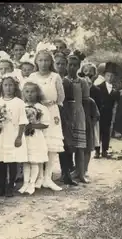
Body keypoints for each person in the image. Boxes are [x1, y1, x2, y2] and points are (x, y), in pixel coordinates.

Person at [28, 47, 65, 191]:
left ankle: (48, 178)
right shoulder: (32, 77)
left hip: (52, 111)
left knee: (52, 145)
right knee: (38, 143)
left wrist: (51, 104)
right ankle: (38, 177)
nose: (44, 63)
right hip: (36, 111)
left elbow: (61, 97)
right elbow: (27, 93)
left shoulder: (55, 77)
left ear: (51, 62)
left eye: (47, 60)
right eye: (41, 60)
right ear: (36, 61)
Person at [0, 74, 28, 197]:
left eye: (11, 85)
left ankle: (10, 186)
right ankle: (1, 186)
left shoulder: (19, 102)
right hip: (0, 134)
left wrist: (19, 137)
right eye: (6, 85)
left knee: (12, 161)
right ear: (2, 87)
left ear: (15, 87)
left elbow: (22, 121)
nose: (8, 88)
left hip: (13, 133)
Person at [19, 81, 50, 195]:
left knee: (34, 161)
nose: (30, 94)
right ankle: (25, 183)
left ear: (37, 93)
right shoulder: (21, 106)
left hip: (36, 137)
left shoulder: (41, 107)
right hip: (24, 137)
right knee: (26, 161)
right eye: (27, 92)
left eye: (32, 92)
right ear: (23, 93)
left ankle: (32, 183)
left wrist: (32, 125)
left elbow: (46, 124)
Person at [53, 51, 77, 186]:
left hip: (64, 113)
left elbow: (71, 101)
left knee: (66, 143)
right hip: (52, 112)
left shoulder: (67, 82)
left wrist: (70, 117)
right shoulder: (51, 78)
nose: (60, 66)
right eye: (58, 64)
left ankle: (66, 173)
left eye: (63, 64)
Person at [66, 52, 89, 183]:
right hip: (66, 115)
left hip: (79, 115)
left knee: (80, 147)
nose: (72, 68)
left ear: (79, 67)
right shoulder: (62, 80)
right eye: (70, 65)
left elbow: (86, 101)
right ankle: (68, 173)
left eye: (75, 65)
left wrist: (84, 117)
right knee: (68, 146)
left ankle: (81, 173)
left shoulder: (83, 82)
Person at [96, 62, 120, 158]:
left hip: (109, 114)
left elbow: (117, 104)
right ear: (104, 76)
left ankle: (105, 150)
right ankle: (97, 151)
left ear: (114, 77)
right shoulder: (98, 88)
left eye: (112, 76)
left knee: (106, 132)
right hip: (99, 114)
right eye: (108, 75)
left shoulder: (116, 91)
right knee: (98, 132)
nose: (109, 78)